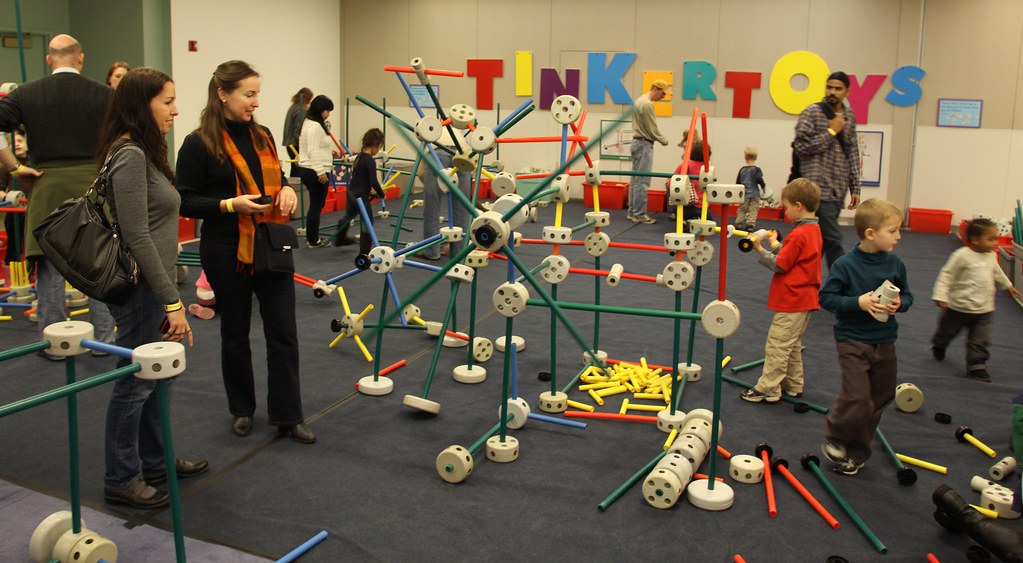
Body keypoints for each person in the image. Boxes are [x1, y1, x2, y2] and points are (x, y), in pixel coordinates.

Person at [176, 60, 314, 444]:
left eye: (257, 94)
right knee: (235, 334)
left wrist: (286, 188)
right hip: (226, 249)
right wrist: (228, 205)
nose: (255, 102)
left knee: (283, 334)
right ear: (223, 94)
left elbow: (278, 178)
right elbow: (185, 201)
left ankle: (289, 415)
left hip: (270, 244)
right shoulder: (198, 143)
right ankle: (242, 409)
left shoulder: (264, 135)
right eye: (248, 94)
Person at [96, 67, 208, 508]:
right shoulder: (129, 155)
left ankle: (157, 463)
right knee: (136, 385)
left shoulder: (144, 150)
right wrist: (172, 301)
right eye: (167, 101)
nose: (176, 110)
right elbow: (136, 234)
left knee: (159, 380)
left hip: (153, 286)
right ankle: (121, 478)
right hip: (143, 289)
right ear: (142, 104)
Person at [0, 34, 116, 360]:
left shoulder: (25, 93)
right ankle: (104, 340)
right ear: (80, 58)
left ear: (49, 60)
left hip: (46, 184)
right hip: (91, 185)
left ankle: (55, 344)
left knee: (49, 267)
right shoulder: (105, 95)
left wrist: (14, 167)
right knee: (98, 263)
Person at [818, 198, 913, 476]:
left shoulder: (895, 263)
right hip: (852, 340)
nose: (899, 236)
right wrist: (857, 303)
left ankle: (856, 452)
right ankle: (836, 435)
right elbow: (827, 298)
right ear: (870, 234)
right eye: (893, 230)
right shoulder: (845, 265)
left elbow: (907, 294)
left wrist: (900, 304)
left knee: (882, 397)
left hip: (885, 341)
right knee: (858, 397)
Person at [740, 179, 823, 403]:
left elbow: (781, 264)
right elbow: (794, 257)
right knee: (792, 344)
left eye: (786, 207)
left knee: (777, 345)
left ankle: (767, 388)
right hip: (805, 300)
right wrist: (775, 244)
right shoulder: (813, 230)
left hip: (793, 300)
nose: (784, 211)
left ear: (798, 205)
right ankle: (794, 385)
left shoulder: (798, 234)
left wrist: (759, 249)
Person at [931, 218, 1020, 382]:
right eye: (991, 238)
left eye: (996, 238)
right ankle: (940, 343)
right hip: (958, 308)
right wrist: (941, 295)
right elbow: (946, 276)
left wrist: (1007, 285)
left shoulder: (991, 256)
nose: (996, 242)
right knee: (947, 332)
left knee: (979, 340)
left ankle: (977, 366)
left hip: (984, 310)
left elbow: (997, 272)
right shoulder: (961, 256)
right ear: (975, 240)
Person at [793, 71, 861, 268]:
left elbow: (853, 153)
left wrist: (855, 187)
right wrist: (831, 131)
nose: (832, 92)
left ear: (847, 91)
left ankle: (800, 280)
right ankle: (842, 284)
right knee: (834, 240)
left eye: (838, 88)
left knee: (818, 244)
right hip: (816, 191)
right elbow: (801, 147)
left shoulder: (849, 116)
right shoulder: (812, 112)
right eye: (829, 87)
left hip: (837, 191)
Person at [333, 128, 386, 255]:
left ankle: (340, 238)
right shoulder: (370, 160)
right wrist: (381, 193)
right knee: (368, 221)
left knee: (349, 215)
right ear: (375, 145)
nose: (378, 151)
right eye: (379, 147)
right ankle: (364, 252)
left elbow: (362, 178)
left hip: (351, 192)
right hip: (360, 197)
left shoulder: (359, 157)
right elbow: (373, 180)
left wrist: (372, 191)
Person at [419, 131, 471, 260]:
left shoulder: (430, 132)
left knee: (432, 208)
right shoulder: (460, 134)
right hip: (462, 154)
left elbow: (419, 172)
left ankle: (432, 251)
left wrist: (429, 186)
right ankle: (459, 252)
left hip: (436, 153)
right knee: (461, 209)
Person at [297, 95, 339, 248]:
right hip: (314, 170)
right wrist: (320, 172)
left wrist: (330, 151)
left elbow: (317, 147)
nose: (328, 114)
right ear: (320, 110)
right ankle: (313, 240)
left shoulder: (308, 123)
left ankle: (312, 237)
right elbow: (312, 150)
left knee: (316, 206)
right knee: (316, 206)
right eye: (327, 110)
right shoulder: (314, 126)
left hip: (309, 168)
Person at [628, 79, 671, 224]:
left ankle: (632, 211)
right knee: (643, 181)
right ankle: (639, 214)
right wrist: (664, 140)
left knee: (635, 180)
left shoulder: (639, 100)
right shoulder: (647, 105)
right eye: (663, 94)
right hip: (644, 144)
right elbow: (652, 128)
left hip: (636, 143)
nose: (663, 97)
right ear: (656, 89)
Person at [0, 130, 35, 267]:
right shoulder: (6, 168)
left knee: (31, 240)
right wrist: (6, 196)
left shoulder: (34, 164)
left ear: (27, 144)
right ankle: (11, 265)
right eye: (13, 143)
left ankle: (32, 266)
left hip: (32, 207)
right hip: (15, 209)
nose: (18, 145)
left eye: (20, 141)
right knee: (14, 240)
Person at [671, 139, 714, 228]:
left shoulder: (685, 165)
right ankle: (695, 219)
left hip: (685, 207)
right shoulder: (708, 169)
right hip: (702, 208)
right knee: (710, 224)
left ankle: (683, 219)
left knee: (677, 195)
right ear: (708, 155)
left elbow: (671, 183)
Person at [282, 87, 312, 177]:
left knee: (295, 167)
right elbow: (299, 130)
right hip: (295, 144)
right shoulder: (300, 110)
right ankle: (297, 189)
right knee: (299, 169)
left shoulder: (293, 107)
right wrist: (304, 145)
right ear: (306, 99)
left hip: (290, 144)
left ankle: (294, 188)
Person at [734, 147, 766, 231]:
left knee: (742, 208)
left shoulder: (742, 170)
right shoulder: (756, 170)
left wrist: (738, 192)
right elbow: (759, 179)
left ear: (745, 157)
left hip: (744, 194)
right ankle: (750, 224)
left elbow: (738, 182)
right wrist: (763, 186)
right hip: (755, 193)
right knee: (753, 209)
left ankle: (739, 223)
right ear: (755, 158)